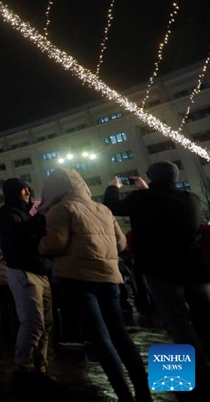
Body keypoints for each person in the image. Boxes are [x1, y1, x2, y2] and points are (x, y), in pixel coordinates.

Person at [38, 168, 151, 402]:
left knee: (99, 338)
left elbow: (55, 245)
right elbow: (120, 244)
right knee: (120, 334)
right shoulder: (103, 209)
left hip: (77, 279)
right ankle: (143, 390)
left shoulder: (61, 209)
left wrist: (41, 244)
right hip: (109, 278)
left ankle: (123, 393)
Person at [104, 161, 210, 399]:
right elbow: (161, 206)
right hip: (196, 270)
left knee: (178, 324)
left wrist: (114, 187)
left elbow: (112, 206)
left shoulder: (142, 201)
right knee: (204, 319)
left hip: (161, 271)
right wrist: (145, 189)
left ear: (150, 178)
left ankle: (190, 383)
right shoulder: (191, 198)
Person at [0, 178, 59, 396]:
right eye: (23, 189)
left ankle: (40, 370)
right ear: (14, 192)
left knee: (46, 324)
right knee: (33, 322)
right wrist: (40, 214)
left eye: (28, 189)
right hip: (23, 270)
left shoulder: (26, 212)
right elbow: (19, 233)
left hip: (41, 269)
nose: (27, 192)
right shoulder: (6, 213)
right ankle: (23, 370)